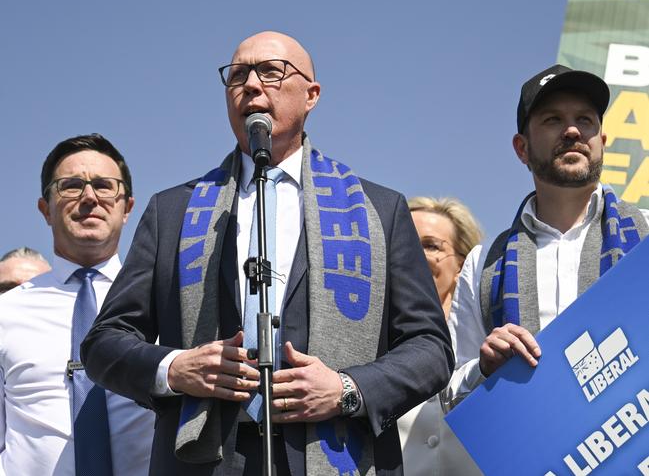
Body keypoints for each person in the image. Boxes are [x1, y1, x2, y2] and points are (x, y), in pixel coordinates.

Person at [81, 31, 454, 476]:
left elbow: (430, 347)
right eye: (237, 75)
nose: (251, 85)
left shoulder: (379, 210)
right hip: (207, 459)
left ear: (312, 94)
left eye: (271, 72)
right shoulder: (175, 211)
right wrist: (175, 367)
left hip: (339, 451)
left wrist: (346, 389)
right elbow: (104, 343)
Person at [442, 65, 649, 411]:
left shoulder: (643, 232)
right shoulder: (484, 265)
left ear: (602, 142)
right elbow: (447, 391)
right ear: (521, 148)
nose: (571, 131)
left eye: (585, 120)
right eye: (552, 120)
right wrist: (484, 367)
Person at [0, 134, 155, 475]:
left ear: (127, 207)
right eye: (71, 186)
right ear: (45, 209)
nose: (89, 197)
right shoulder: (6, 313)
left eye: (103, 185)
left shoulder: (160, 301)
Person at [397, 197, 483, 476]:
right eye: (404, 241)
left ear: (462, 265)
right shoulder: (369, 339)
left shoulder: (486, 336)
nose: (414, 255)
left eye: (431, 245)